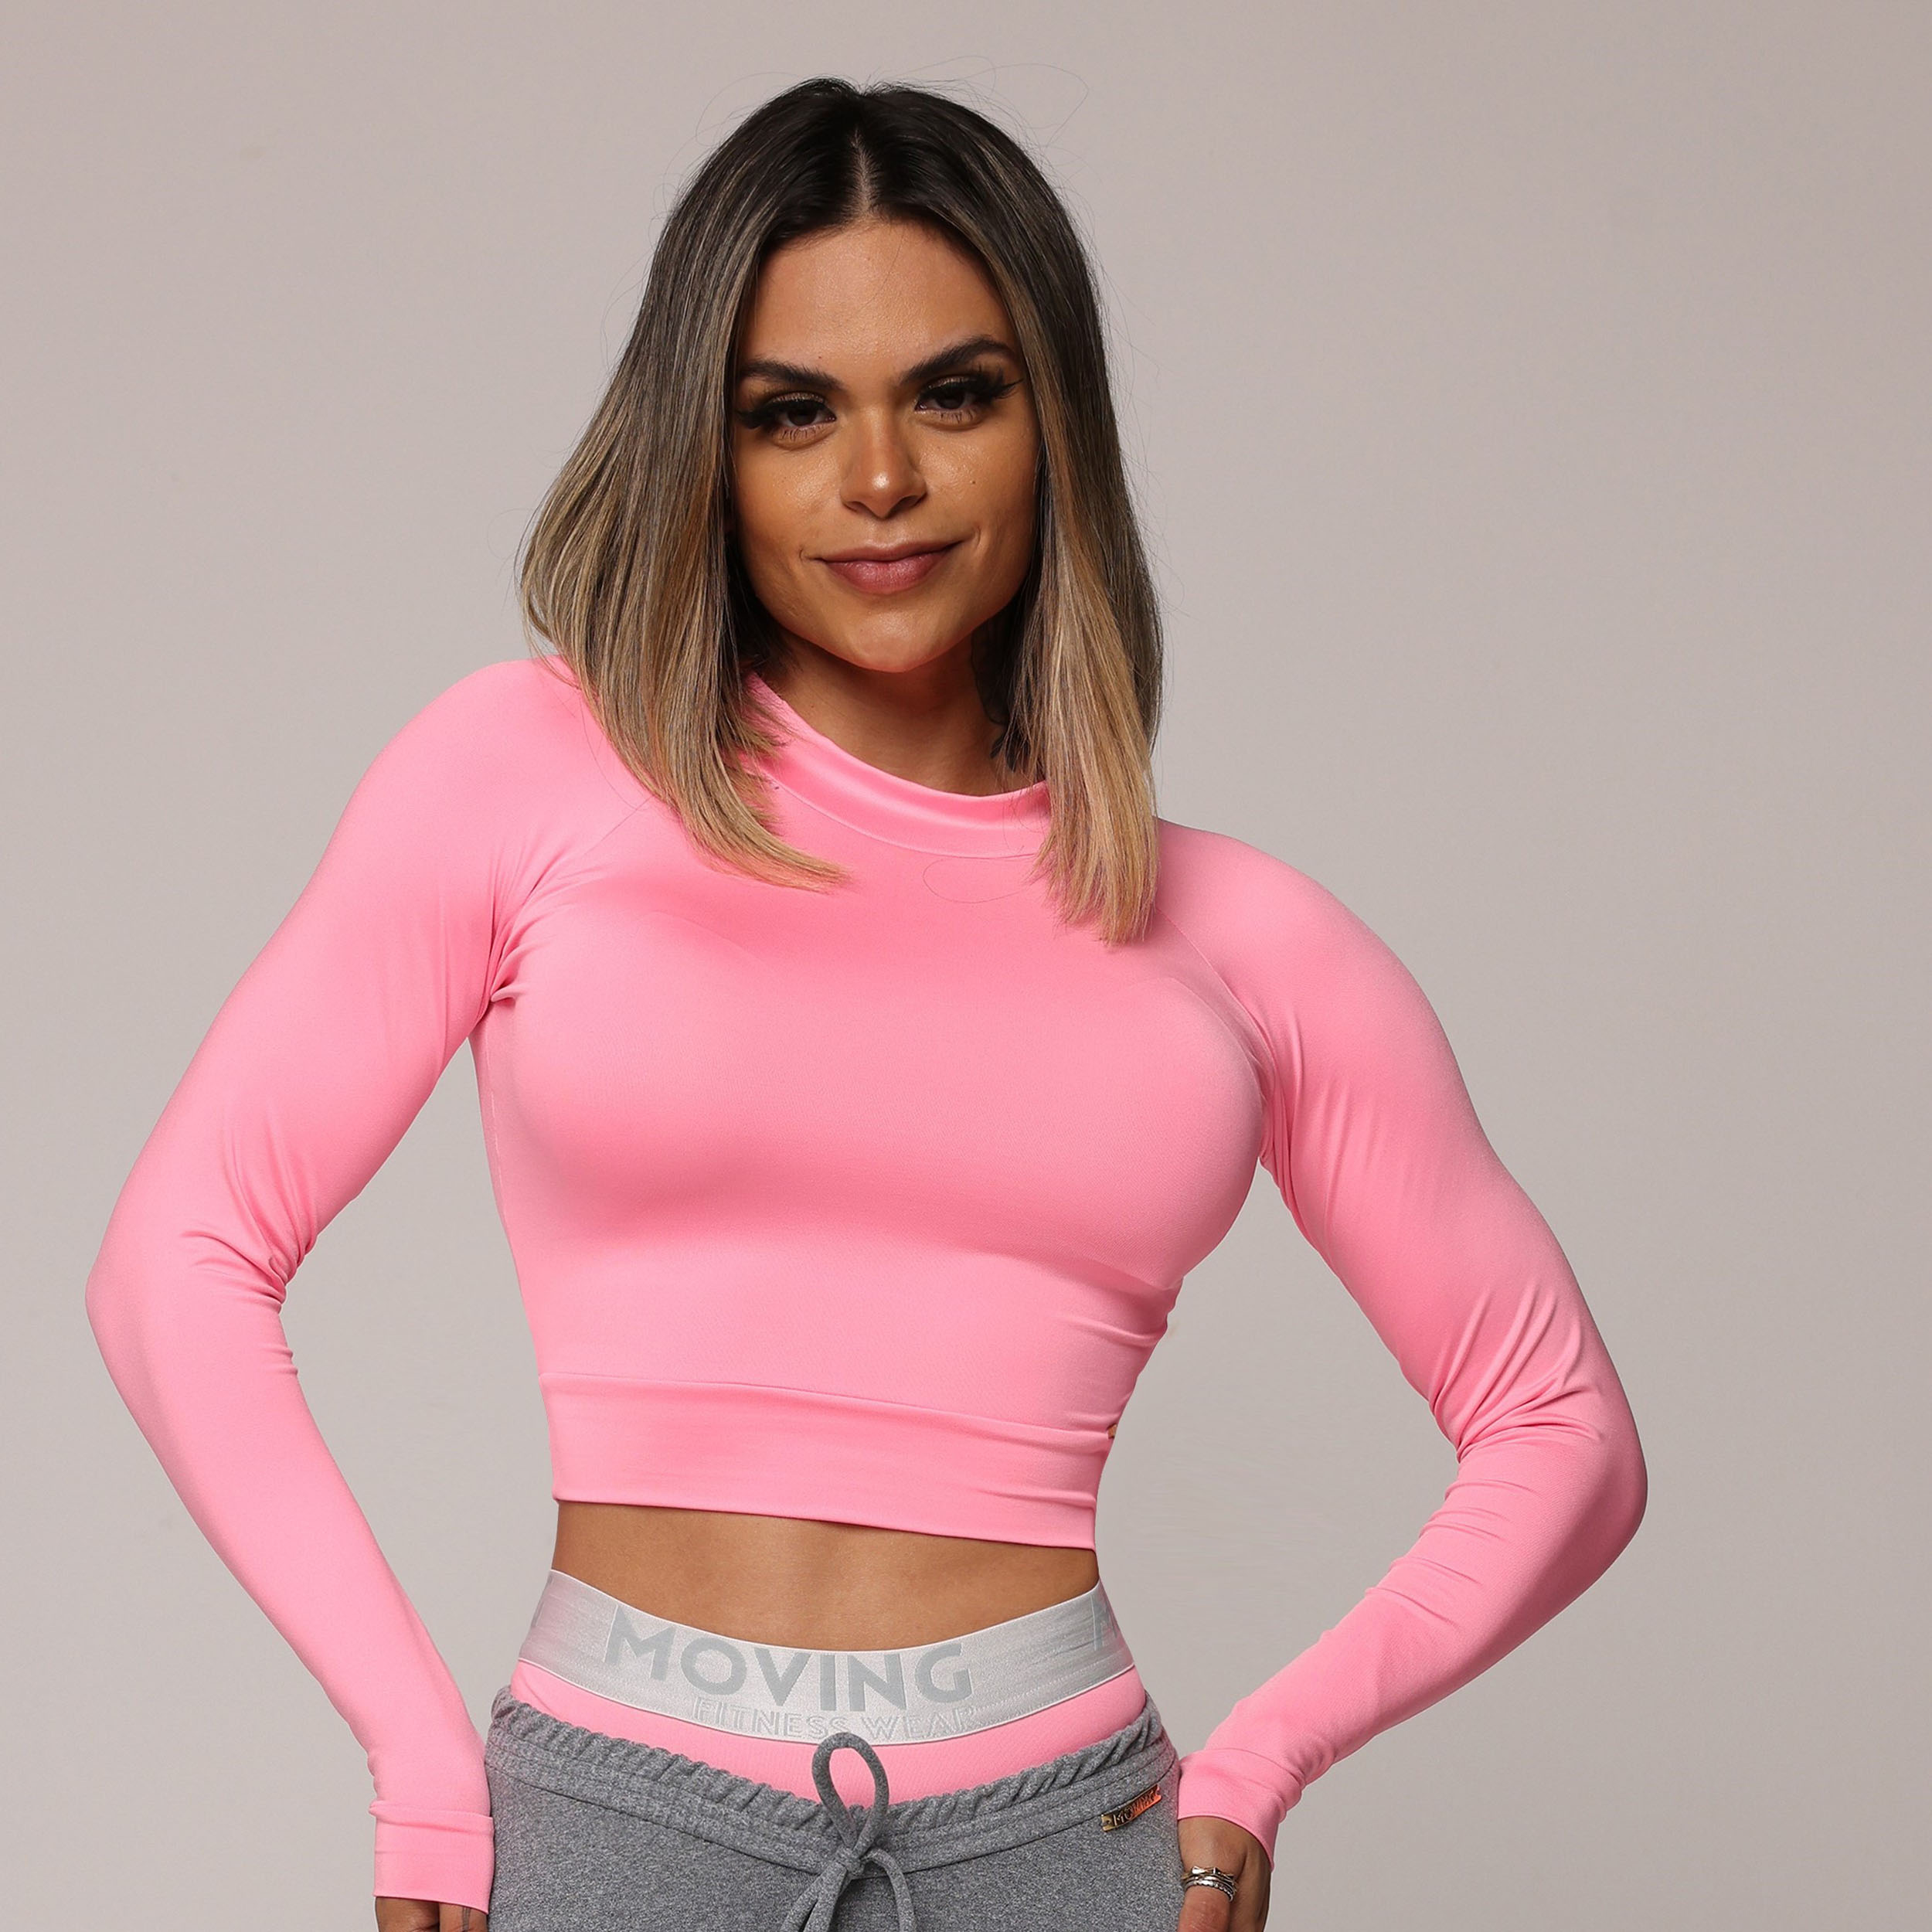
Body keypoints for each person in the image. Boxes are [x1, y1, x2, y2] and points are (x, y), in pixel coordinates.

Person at [84, 76, 1648, 1932]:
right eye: (792, 412)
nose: (880, 478)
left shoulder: (1251, 940)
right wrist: (413, 1746)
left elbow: (1562, 1429)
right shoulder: (522, 775)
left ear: (1052, 425)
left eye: (955, 394)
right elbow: (177, 1253)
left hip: (1062, 1840)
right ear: (705, 447)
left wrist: (1259, 1758)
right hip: (613, 1814)